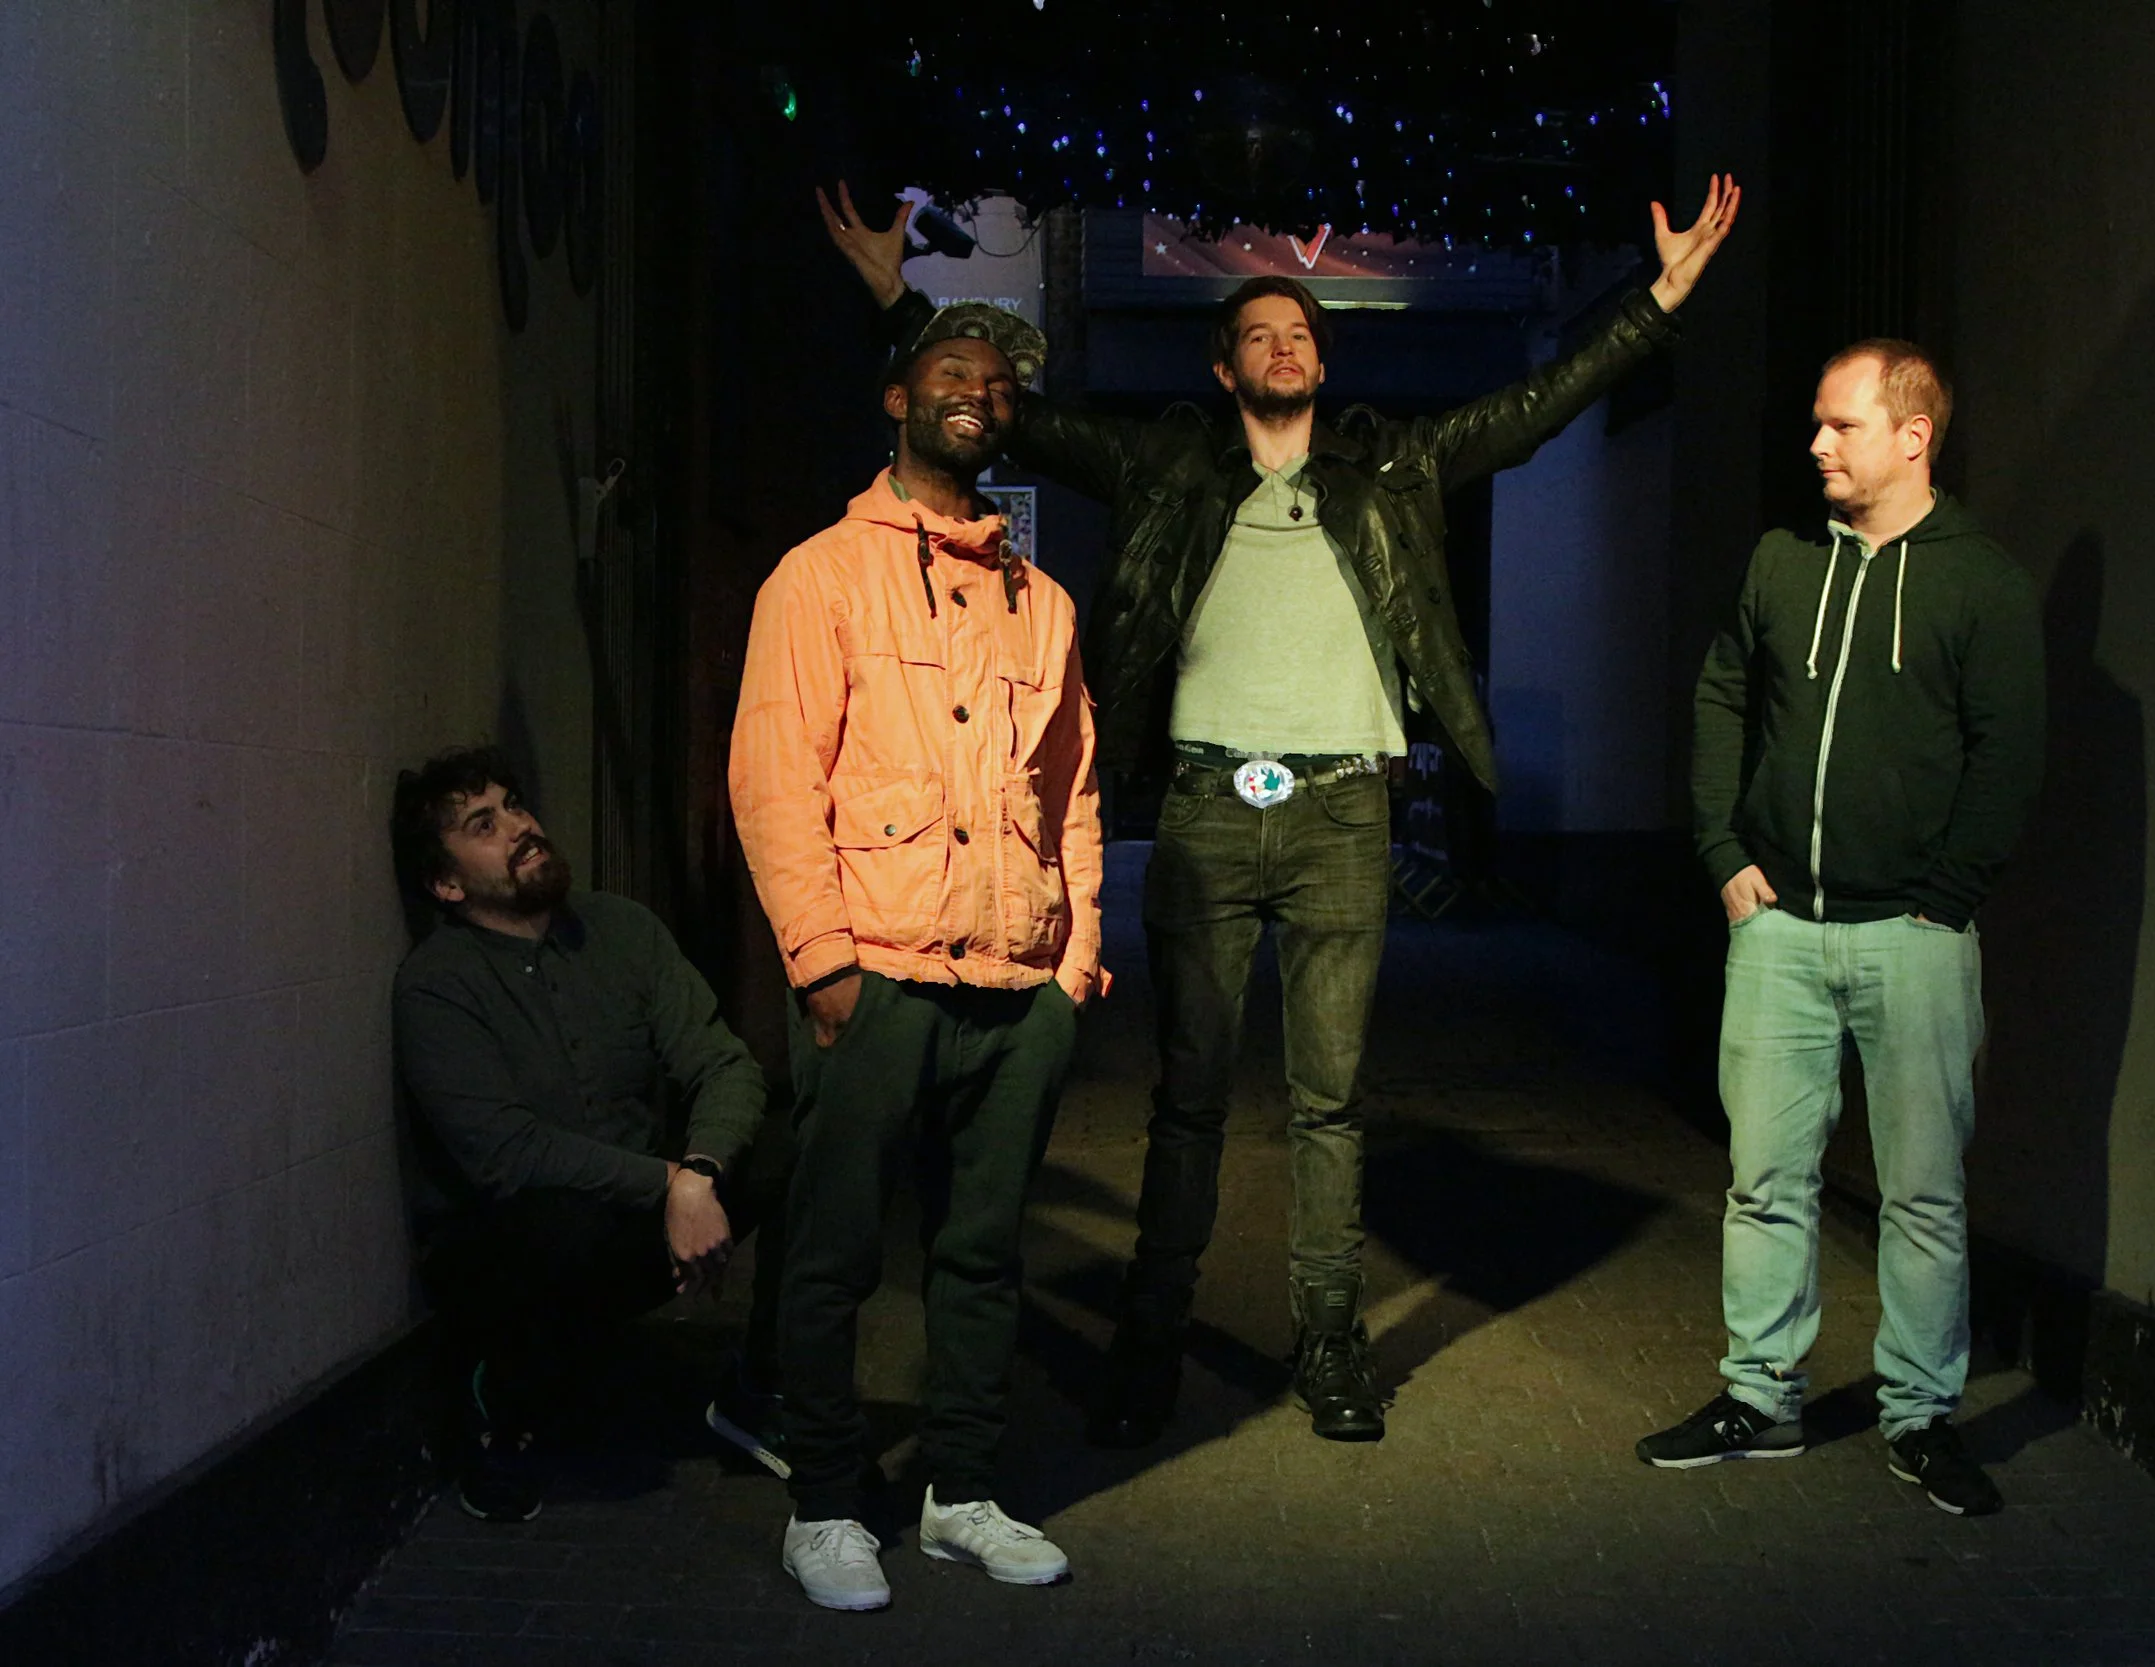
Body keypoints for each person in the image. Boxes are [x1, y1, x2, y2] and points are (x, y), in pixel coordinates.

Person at [819, 173, 1741, 1449]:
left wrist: (1661, 300)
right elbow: (1004, 417)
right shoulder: (1161, 466)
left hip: (1341, 814)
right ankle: (1148, 1345)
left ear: (1323, 356)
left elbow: (1536, 407)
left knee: (1329, 1100)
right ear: (1220, 365)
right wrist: (892, 297)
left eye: (1299, 332)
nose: (1282, 346)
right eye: (1256, 333)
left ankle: (1330, 1346)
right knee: (1189, 1096)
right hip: (1204, 806)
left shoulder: (1396, 469)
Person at [728, 301, 1107, 1612]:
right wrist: (824, 961)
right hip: (876, 975)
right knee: (832, 1253)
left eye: (1000, 384)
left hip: (1015, 981)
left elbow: (1074, 793)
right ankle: (825, 1501)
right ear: (898, 397)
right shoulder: (819, 576)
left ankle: (963, 1491)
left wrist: (1073, 964)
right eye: (954, 372)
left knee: (983, 1248)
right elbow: (776, 779)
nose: (980, 395)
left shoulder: (1043, 602)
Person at [1642, 341, 2044, 1517]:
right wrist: (1723, 853)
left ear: (1913, 435)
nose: (1816, 445)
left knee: (1922, 1192)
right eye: (1816, 425)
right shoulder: (1779, 565)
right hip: (1778, 933)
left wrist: (1950, 890)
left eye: (1841, 426)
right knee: (1765, 1180)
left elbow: (2009, 751)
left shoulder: (1983, 584)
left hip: (1914, 936)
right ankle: (1758, 1397)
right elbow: (1722, 691)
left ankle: (1920, 1417)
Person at [391, 748, 785, 1524]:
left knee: (800, 1143)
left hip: (640, 1216)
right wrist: (669, 1185)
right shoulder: (437, 983)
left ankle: (762, 1386)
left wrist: (700, 1171)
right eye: (485, 823)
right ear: (447, 883)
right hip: (513, 1247)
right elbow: (507, 1153)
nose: (521, 825)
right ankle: (500, 1413)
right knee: (555, 1219)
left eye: (514, 804)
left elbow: (724, 1063)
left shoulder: (621, 929)